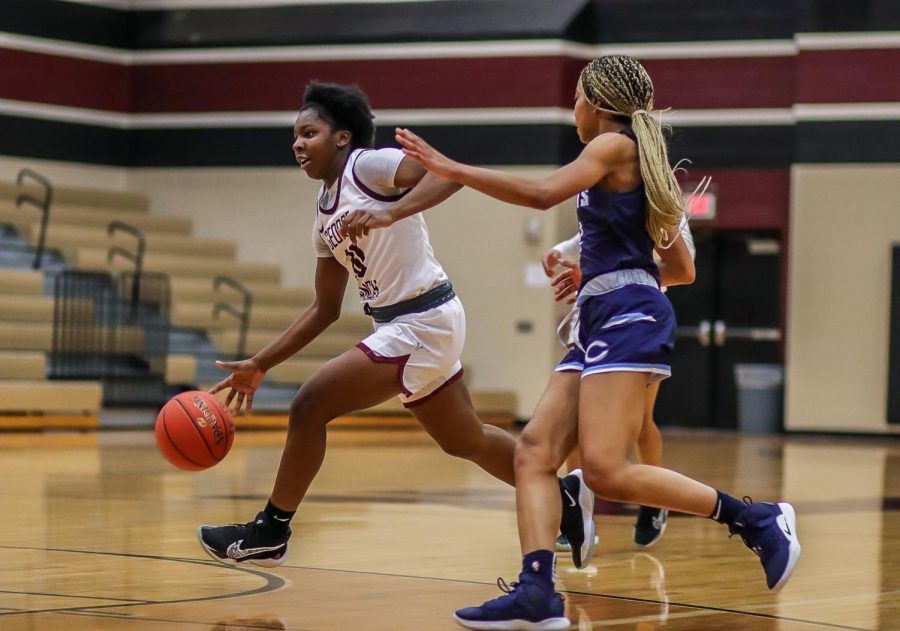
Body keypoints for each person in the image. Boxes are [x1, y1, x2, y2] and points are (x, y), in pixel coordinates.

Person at [391, 55, 800, 629]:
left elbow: (540, 195)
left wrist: (451, 168)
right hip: (608, 312)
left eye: (576, 97)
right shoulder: (635, 164)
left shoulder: (612, 145)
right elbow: (681, 270)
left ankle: (756, 519)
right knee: (535, 453)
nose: (572, 109)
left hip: (626, 318)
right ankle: (537, 591)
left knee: (605, 470)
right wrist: (600, 272)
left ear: (595, 102)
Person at [195, 82, 594, 569]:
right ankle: (563, 495)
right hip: (409, 323)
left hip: (422, 318)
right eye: (295, 136)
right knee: (464, 440)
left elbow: (446, 175)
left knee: (309, 407)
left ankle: (271, 530)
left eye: (309, 132)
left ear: (341, 138)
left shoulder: (368, 165)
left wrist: (391, 209)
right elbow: (324, 308)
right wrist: (261, 363)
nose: (297, 143)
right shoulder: (324, 218)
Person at [546, 219, 695, 552]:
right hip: (596, 316)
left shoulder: (660, 208)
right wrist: (558, 252)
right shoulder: (602, 196)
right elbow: (583, 236)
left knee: (640, 422)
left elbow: (683, 267)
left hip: (637, 318)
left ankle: (655, 500)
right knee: (575, 420)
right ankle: (577, 511)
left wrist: (610, 275)